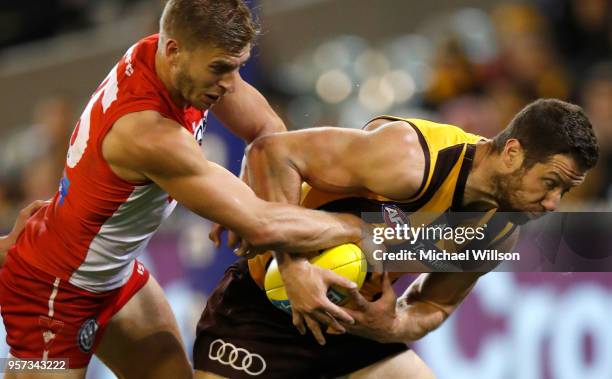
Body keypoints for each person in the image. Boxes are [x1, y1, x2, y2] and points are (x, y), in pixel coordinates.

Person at [0, 0, 364, 379]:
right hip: (52, 291)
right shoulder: (147, 133)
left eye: (236, 68)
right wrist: (359, 229)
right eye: (220, 69)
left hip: (113, 274)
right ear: (174, 51)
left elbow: (268, 133)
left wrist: (268, 227)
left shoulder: (178, 58)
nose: (228, 83)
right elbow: (262, 223)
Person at [194, 98, 599, 378]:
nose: (551, 204)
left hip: (351, 328)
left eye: (563, 192)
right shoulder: (410, 159)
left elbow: (435, 303)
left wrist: (387, 325)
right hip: (263, 311)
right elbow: (272, 151)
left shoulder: (502, 227)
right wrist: (294, 268)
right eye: (550, 183)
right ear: (512, 153)